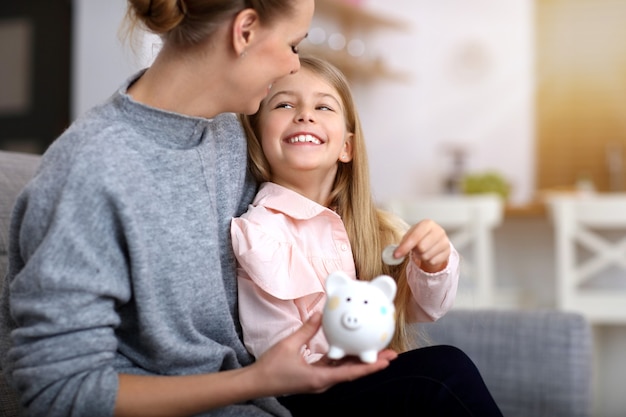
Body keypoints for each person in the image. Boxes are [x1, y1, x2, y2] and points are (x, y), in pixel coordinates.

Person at [0, 2, 398, 417]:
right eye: (293, 44)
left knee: (441, 372)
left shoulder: (230, 138)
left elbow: (308, 214)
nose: (293, 65)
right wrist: (257, 381)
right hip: (237, 400)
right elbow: (58, 392)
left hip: (267, 402)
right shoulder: (89, 171)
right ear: (244, 31)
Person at [232, 55, 504, 416]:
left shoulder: (371, 228)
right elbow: (277, 353)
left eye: (323, 106)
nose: (304, 115)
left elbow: (427, 307)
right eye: (284, 103)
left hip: (359, 385)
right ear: (258, 136)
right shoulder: (260, 231)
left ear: (346, 147)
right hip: (301, 397)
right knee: (444, 372)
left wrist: (435, 263)